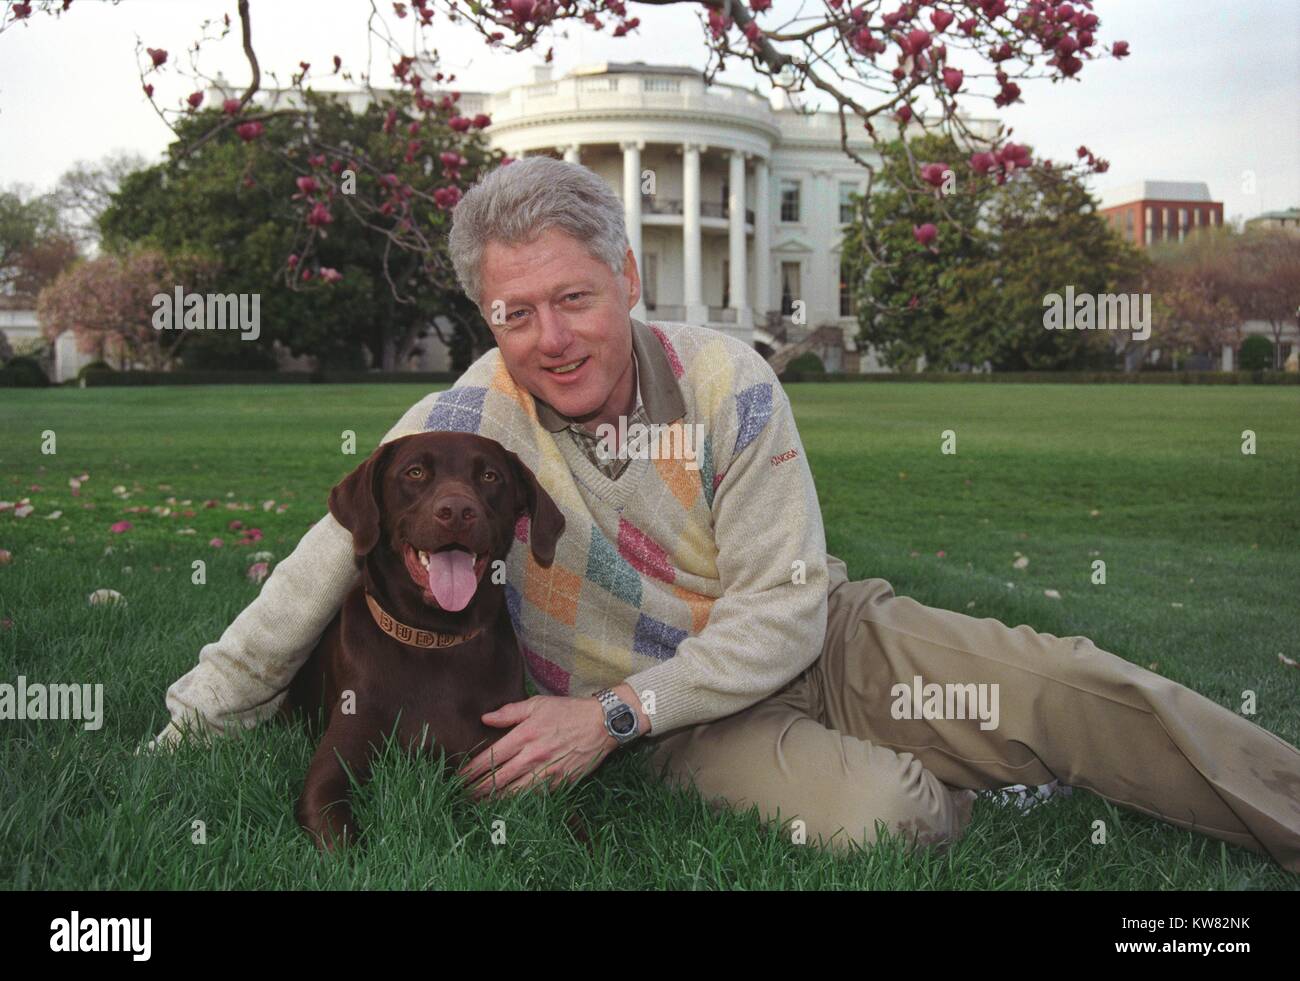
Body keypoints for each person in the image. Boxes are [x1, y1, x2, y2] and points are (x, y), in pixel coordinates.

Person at [148, 156, 1300, 871]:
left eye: (573, 299)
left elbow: (788, 611)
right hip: (670, 719)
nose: (550, 339)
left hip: (823, 639)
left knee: (1075, 689)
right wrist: (190, 724)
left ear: (628, 280)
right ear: (484, 316)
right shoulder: (461, 426)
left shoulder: (724, 380)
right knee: (887, 820)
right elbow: (307, 584)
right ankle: (958, 770)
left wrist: (606, 717)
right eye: (515, 313)